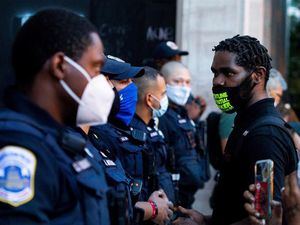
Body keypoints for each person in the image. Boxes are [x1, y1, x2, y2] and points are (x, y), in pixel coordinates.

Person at [0, 8, 113, 224]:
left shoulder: (57, 141)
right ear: (60, 66)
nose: (104, 85)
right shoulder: (20, 148)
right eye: (96, 69)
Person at [174, 35, 298, 225]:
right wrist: (206, 221)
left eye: (228, 73)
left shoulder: (265, 135)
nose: (217, 81)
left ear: (258, 75)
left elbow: (266, 219)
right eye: (215, 73)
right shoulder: (247, 123)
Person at [89, 56, 173, 225]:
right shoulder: (99, 134)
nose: (132, 88)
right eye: (124, 81)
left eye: (131, 81)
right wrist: (151, 209)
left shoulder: (109, 134)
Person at [159, 61, 206, 208]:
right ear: (163, 83)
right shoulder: (161, 116)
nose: (184, 87)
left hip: (187, 195)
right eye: (177, 81)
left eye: (187, 82)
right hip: (171, 196)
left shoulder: (184, 112)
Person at [131, 66, 175, 202]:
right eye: (163, 94)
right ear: (150, 100)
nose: (165, 99)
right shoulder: (135, 135)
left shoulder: (152, 126)